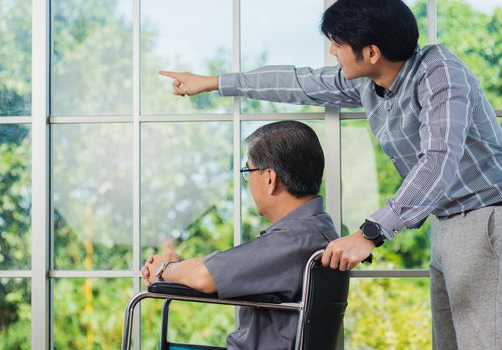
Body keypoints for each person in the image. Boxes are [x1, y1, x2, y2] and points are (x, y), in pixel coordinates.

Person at [157, 0, 502, 348]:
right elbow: (299, 82)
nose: (332, 50)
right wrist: (214, 82)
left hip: (486, 218)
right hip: (446, 222)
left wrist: (370, 232)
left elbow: (439, 159)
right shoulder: (369, 83)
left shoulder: (439, 71)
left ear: (370, 52)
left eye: (337, 43)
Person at [141, 120, 339, 350]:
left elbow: (204, 277)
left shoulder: (293, 239)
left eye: (248, 171)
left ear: (269, 178)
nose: (248, 183)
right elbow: (212, 271)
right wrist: (177, 268)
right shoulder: (318, 229)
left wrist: (163, 270)